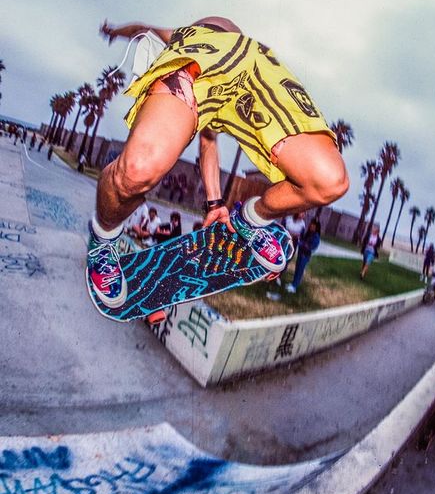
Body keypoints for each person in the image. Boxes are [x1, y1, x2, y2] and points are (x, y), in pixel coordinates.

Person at [86, 16, 349, 308]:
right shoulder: (185, 38)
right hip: (195, 66)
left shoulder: (238, 43)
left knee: (329, 181)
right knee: (136, 170)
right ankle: (103, 238)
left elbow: (140, 28)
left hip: (254, 68)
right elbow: (207, 139)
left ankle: (251, 220)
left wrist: (217, 205)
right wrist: (115, 32)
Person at [285, 218, 321, 293]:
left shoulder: (316, 236)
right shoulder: (308, 233)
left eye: (314, 225)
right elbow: (302, 239)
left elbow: (311, 247)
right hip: (300, 254)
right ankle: (293, 284)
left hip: (305, 256)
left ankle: (294, 287)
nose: (312, 226)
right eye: (311, 224)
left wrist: (300, 243)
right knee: (297, 269)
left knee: (300, 271)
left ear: (317, 227)